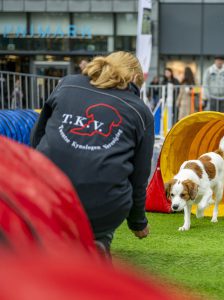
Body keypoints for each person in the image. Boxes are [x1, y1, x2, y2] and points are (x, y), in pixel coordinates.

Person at [30, 51, 154, 256]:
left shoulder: (68, 84)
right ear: (133, 79)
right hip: (101, 207)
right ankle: (97, 240)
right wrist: (137, 222)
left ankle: (44, 239)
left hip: (47, 193)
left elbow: (37, 137)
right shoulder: (140, 111)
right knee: (101, 207)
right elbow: (139, 176)